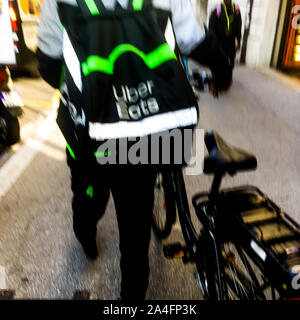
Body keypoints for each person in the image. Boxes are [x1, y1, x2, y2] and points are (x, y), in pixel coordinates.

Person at [37, 0, 232, 301]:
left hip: (94, 129)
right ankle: (132, 298)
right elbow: (194, 39)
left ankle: (86, 233)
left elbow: (49, 63)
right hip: (151, 126)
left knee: (89, 187)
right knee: (135, 230)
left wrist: (86, 89)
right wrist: (222, 68)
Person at [209, 0, 242, 70]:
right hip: (219, 42)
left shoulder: (236, 9)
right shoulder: (218, 9)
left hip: (231, 42)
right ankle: (215, 75)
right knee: (217, 60)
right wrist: (212, 42)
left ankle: (229, 78)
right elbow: (212, 27)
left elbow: (239, 26)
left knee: (231, 61)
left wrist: (239, 41)